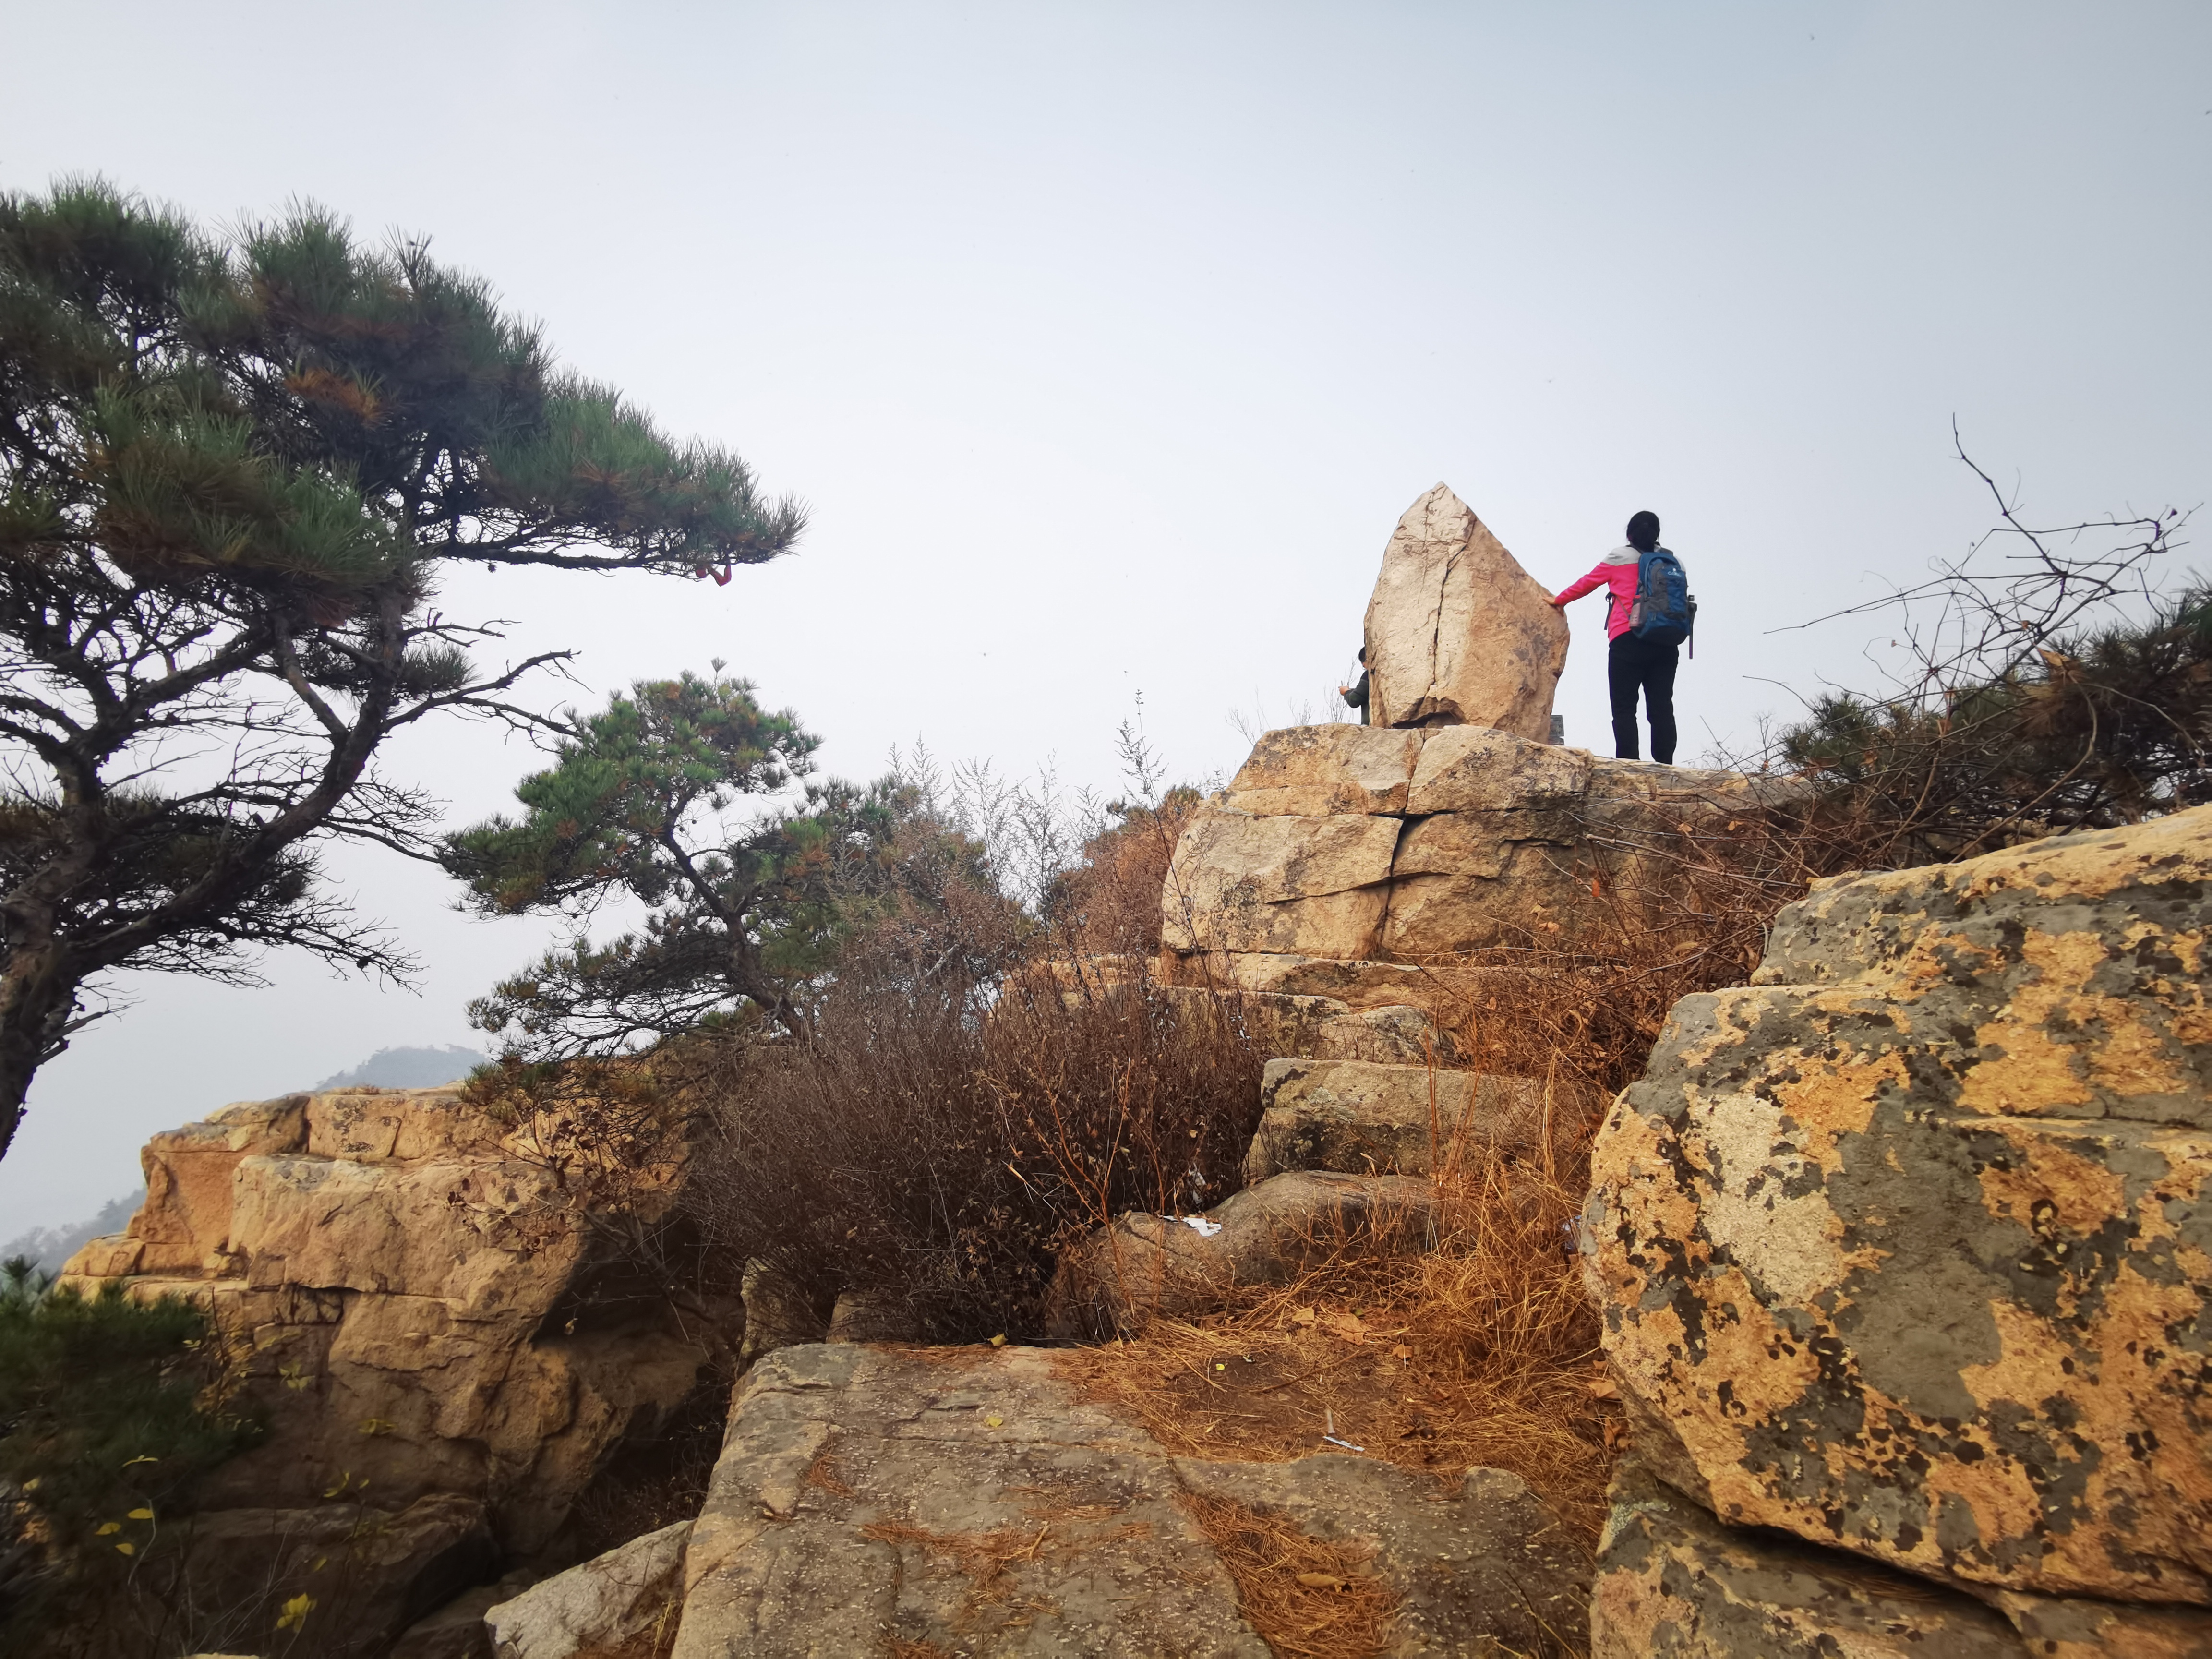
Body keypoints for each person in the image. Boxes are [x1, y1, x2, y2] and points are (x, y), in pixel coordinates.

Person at [1552, 511, 1678, 764]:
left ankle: (1629, 762)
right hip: (1665, 640)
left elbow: (1587, 583)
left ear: (1630, 534)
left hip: (1627, 638)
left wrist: (1558, 600)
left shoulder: (1619, 557)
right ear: (1657, 534)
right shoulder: (1671, 561)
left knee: (1624, 707)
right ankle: (1665, 764)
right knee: (1661, 705)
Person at [1338, 647, 1370, 724]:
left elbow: (1355, 700)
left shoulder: (1369, 676)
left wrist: (1346, 692)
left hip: (1373, 727)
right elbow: (1362, 692)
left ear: (1364, 663)